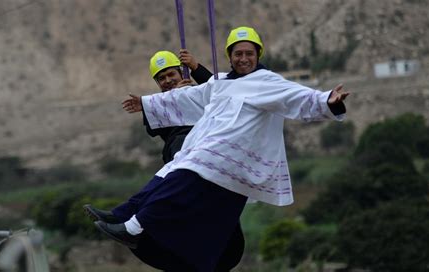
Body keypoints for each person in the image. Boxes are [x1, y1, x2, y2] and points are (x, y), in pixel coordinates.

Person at [96, 26, 349, 272]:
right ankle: (123, 214)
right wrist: (146, 102)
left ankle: (134, 227)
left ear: (258, 54)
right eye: (238, 54)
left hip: (233, 156)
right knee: (169, 171)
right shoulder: (221, 83)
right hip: (210, 152)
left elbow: (299, 97)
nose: (243, 59)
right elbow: (186, 98)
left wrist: (327, 100)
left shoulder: (267, 81)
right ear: (229, 56)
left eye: (249, 53)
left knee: (185, 172)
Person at [84, 50, 245, 271]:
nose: (168, 81)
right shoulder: (157, 107)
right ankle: (126, 217)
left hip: (205, 153)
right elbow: (154, 121)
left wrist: (196, 70)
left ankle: (128, 219)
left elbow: (222, 89)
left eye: (171, 75)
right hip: (181, 153)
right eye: (162, 78)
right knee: (167, 185)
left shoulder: (197, 93)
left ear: (181, 74)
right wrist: (176, 98)